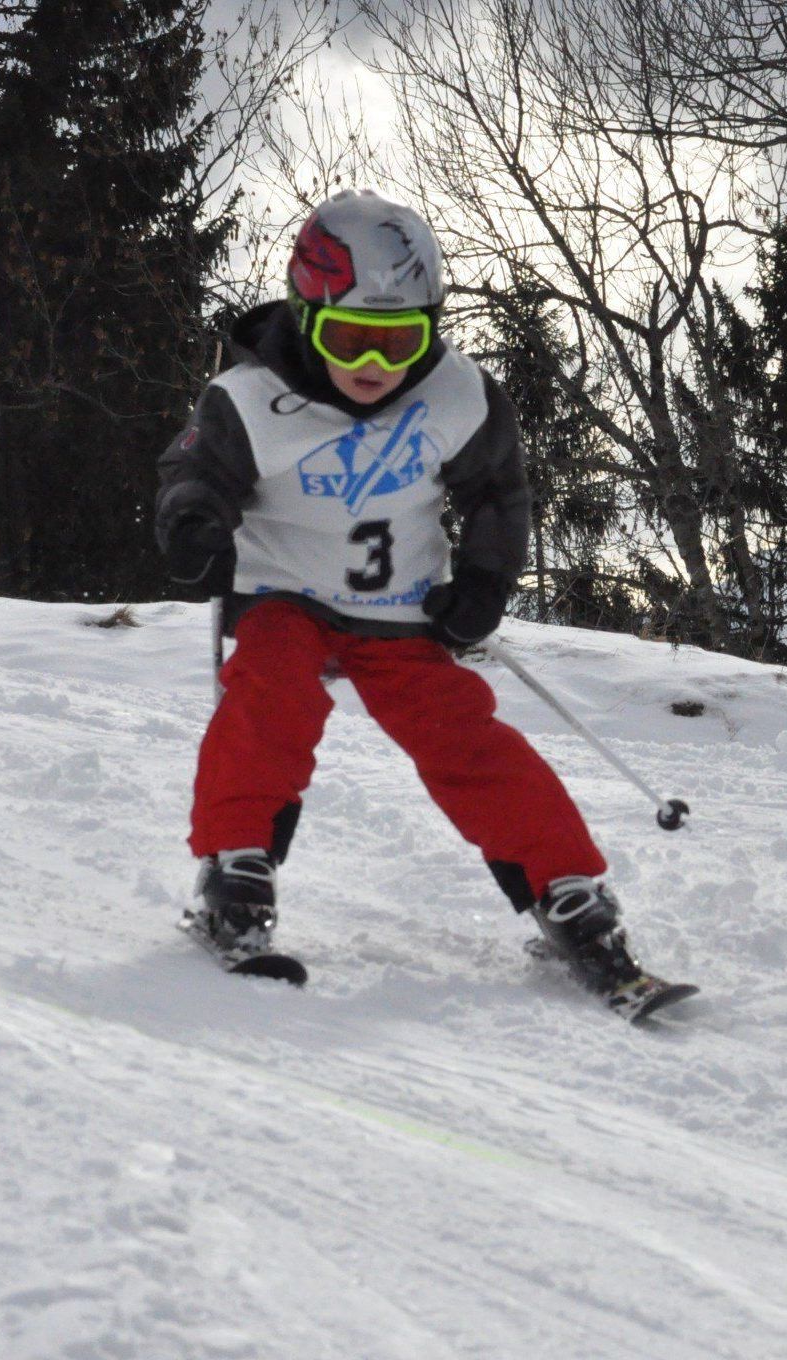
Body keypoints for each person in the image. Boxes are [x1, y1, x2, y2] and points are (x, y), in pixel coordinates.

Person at [155, 188, 646, 1000]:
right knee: (268, 700)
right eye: (352, 338)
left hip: (398, 608)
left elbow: (497, 493)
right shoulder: (249, 401)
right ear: (307, 316)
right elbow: (192, 473)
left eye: (400, 341)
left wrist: (484, 581)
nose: (375, 366)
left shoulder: (458, 394)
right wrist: (195, 522)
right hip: (285, 593)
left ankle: (566, 886)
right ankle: (234, 867)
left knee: (463, 735)